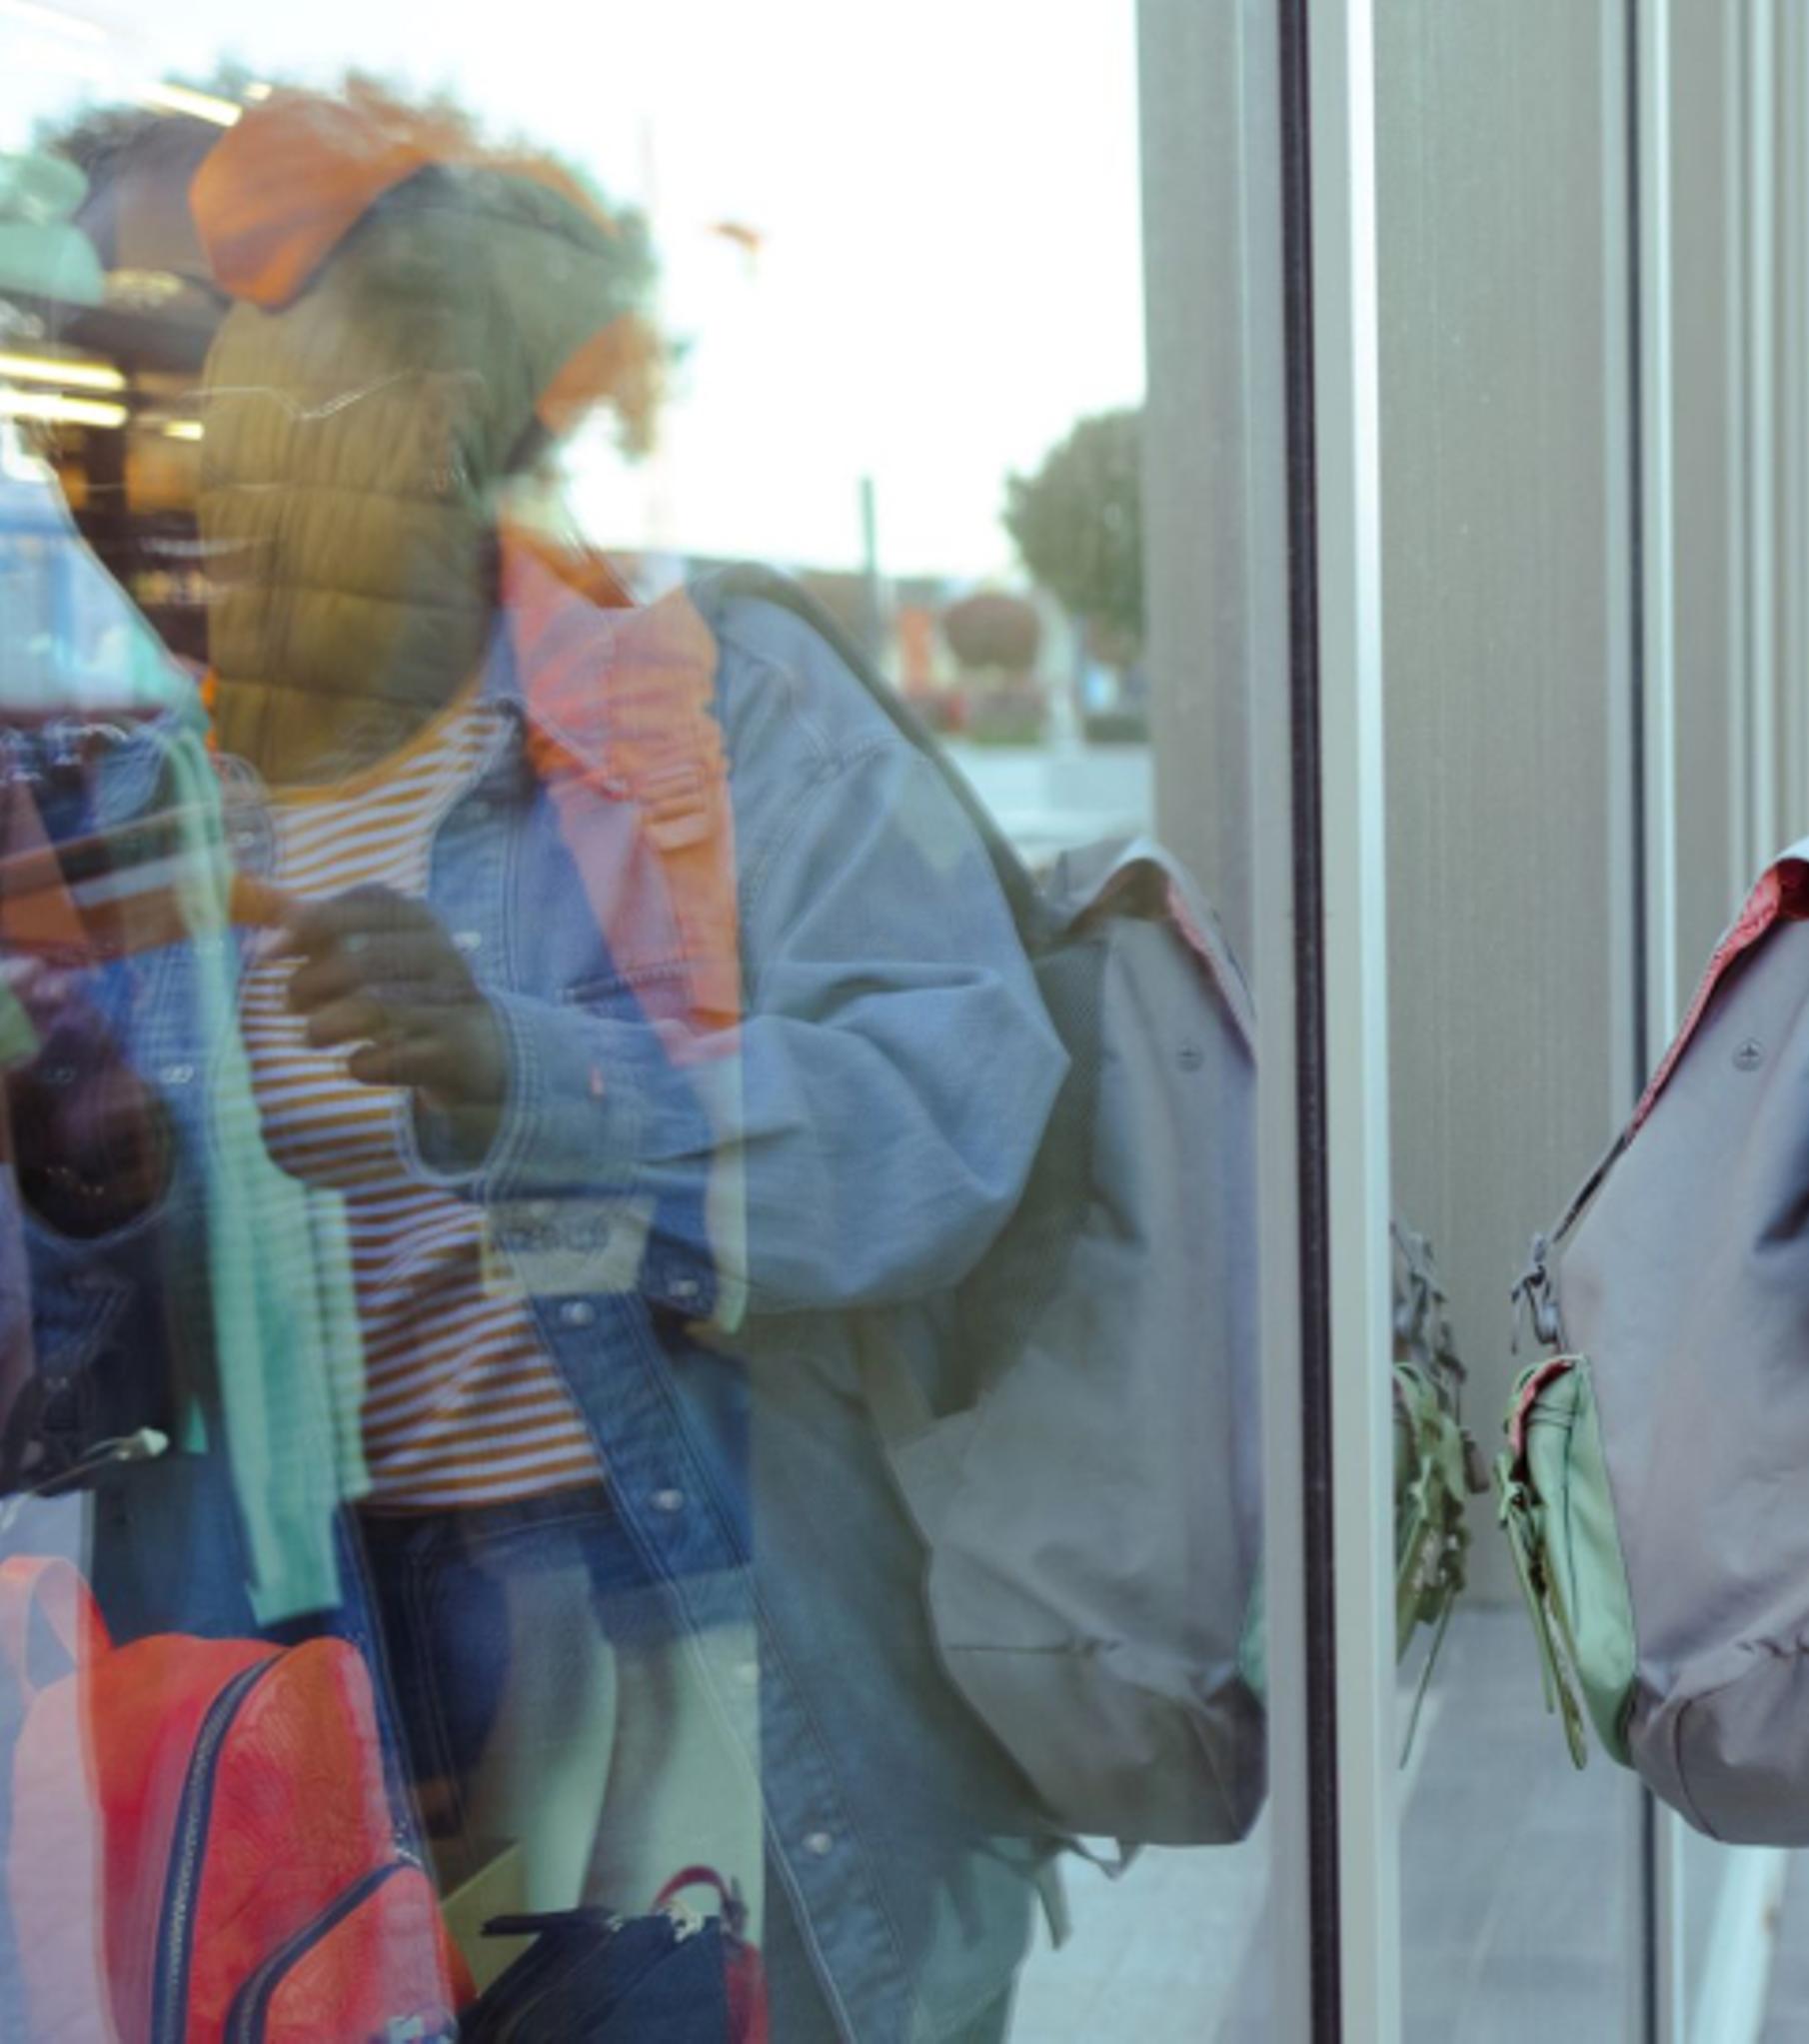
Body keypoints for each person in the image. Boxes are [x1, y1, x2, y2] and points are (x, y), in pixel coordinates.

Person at [8, 87, 1062, 2040]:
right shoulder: (121, 808)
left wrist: (530, 1079)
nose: (124, 458)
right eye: (62, 403)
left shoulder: (704, 700)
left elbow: (955, 1112)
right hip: (289, 1695)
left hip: (660, 1678)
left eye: (178, 369)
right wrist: (66, 1174)